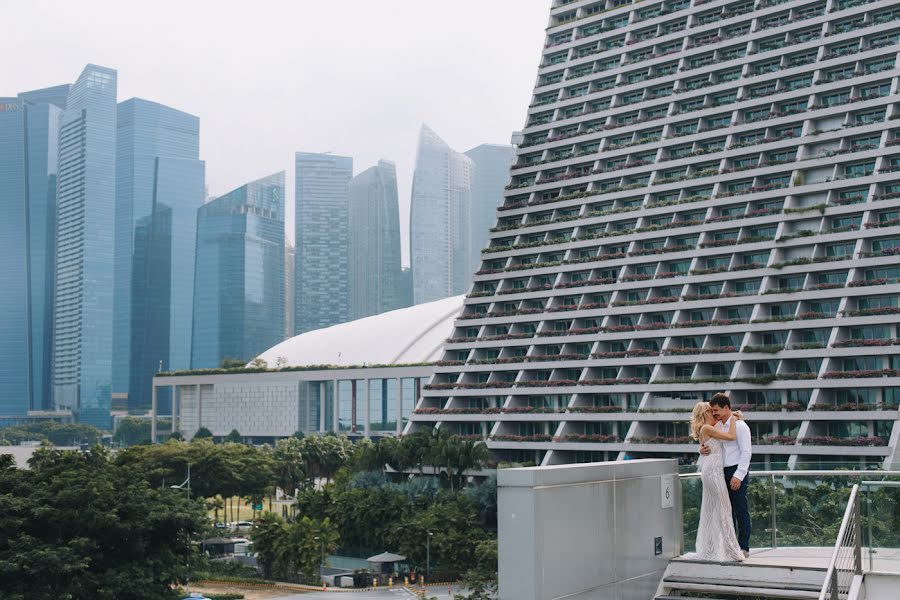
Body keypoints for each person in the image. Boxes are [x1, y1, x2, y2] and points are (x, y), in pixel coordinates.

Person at [690, 399, 745, 562]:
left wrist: (733, 416)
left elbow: (722, 428)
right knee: (723, 509)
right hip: (713, 473)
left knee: (714, 511)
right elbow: (731, 436)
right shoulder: (707, 428)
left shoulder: (710, 428)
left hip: (713, 472)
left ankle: (712, 549)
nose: (714, 413)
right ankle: (732, 551)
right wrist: (734, 420)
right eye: (711, 411)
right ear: (706, 413)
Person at [700, 393, 752, 558]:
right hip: (720, 472)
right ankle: (731, 547)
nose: (714, 413)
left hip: (736, 471)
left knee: (740, 510)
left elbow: (746, 452)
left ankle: (744, 547)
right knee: (726, 511)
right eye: (712, 411)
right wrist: (701, 449)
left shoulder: (741, 426)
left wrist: (739, 475)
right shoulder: (718, 426)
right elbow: (711, 445)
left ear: (727, 408)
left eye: (716, 410)